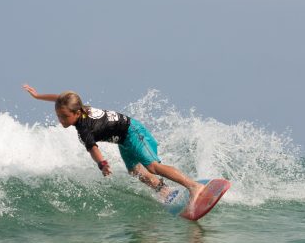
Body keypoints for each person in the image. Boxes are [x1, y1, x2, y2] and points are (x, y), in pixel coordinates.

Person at [23, 84, 204, 212]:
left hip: (133, 132)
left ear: (76, 113)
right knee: (135, 171)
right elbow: (59, 99)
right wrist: (38, 96)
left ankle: (193, 186)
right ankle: (166, 192)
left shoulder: (83, 128)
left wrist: (102, 163)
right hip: (123, 140)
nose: (60, 120)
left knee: (152, 167)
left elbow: (93, 148)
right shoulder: (78, 107)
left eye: (63, 117)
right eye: (58, 115)